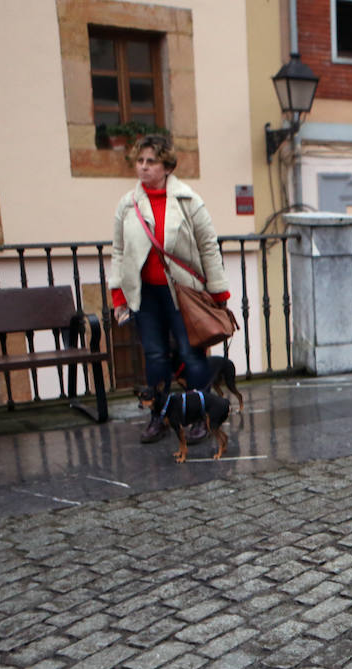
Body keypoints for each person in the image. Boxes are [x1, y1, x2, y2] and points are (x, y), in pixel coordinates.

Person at [110, 134, 230, 444]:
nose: (144, 167)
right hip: (145, 294)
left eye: (151, 162)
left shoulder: (189, 200)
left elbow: (208, 246)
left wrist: (218, 292)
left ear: (167, 166)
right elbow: (119, 251)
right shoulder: (128, 204)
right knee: (155, 356)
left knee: (192, 355)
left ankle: (201, 417)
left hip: (183, 292)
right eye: (140, 161)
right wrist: (118, 294)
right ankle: (159, 417)